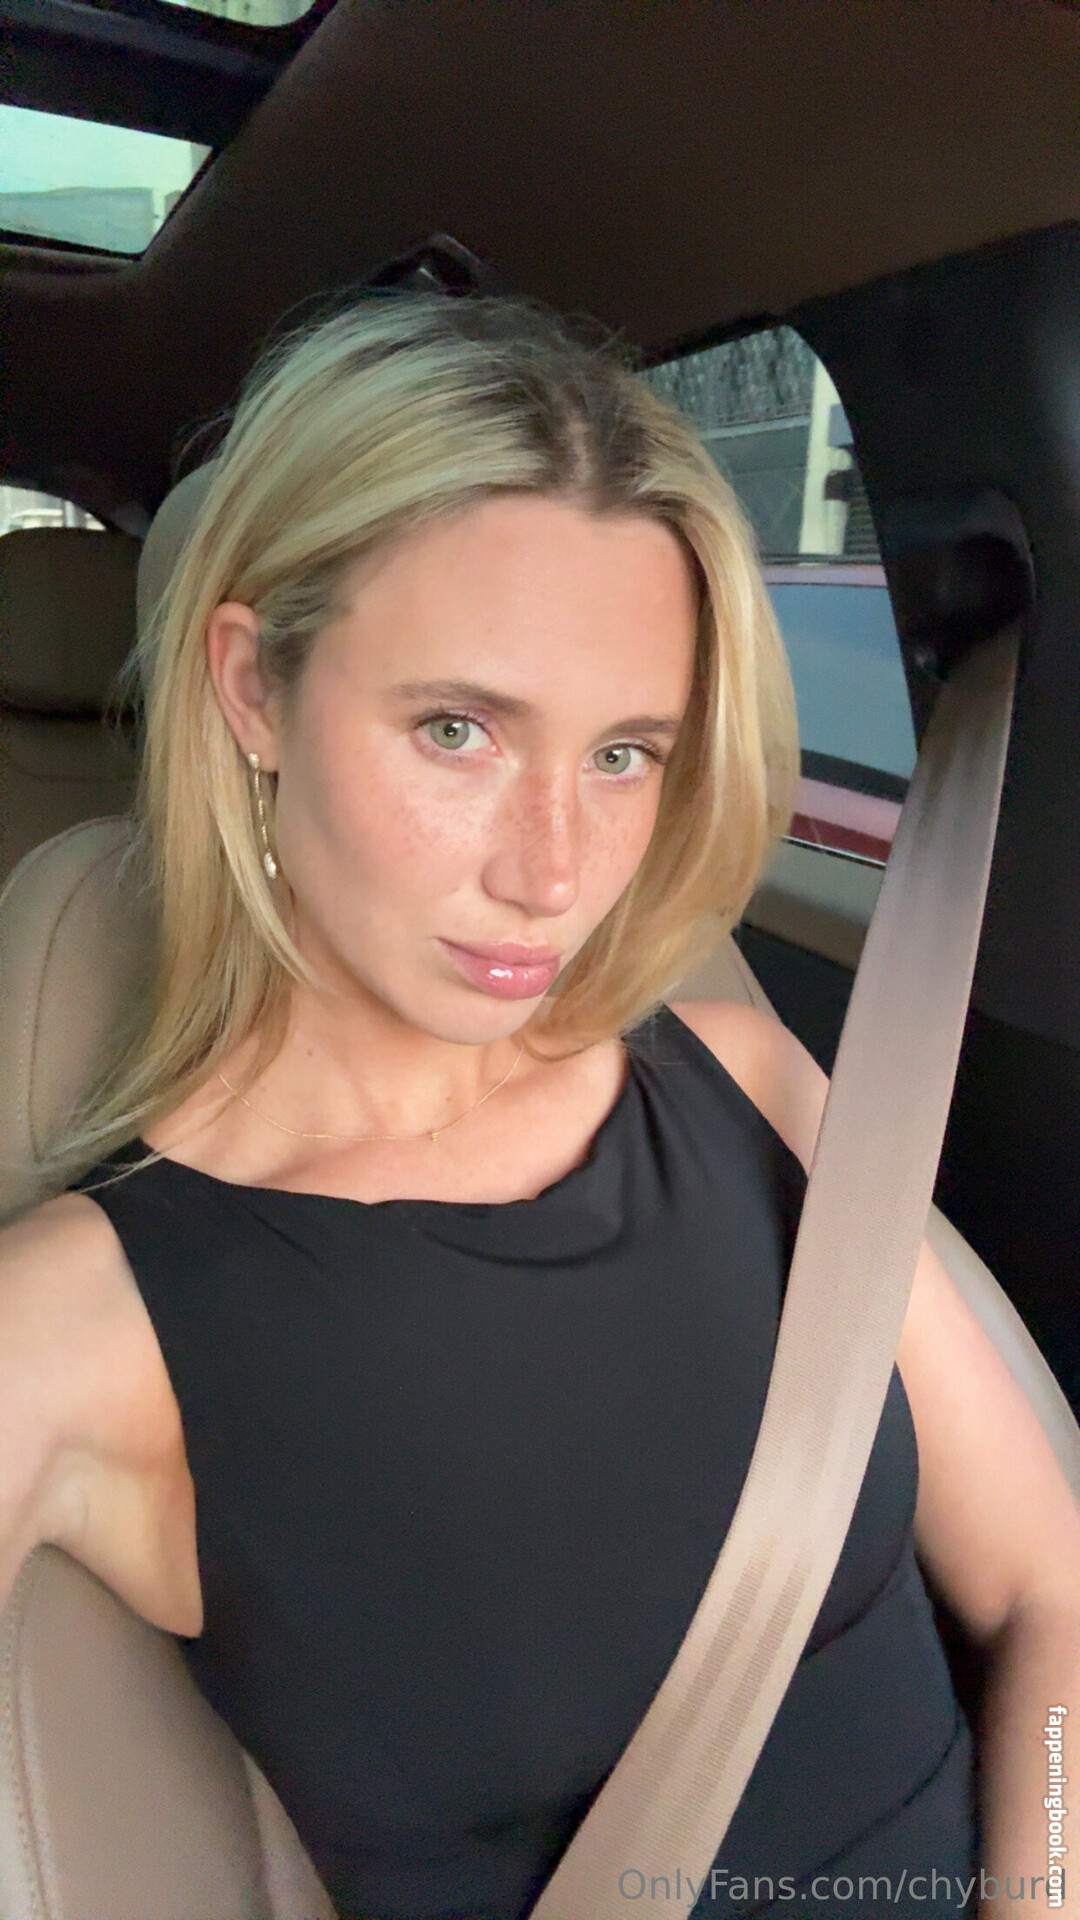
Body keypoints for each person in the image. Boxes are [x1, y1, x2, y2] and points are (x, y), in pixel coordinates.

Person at [0, 293, 1077, 1920]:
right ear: (253, 692)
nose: (553, 872)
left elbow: (1054, 1592)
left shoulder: (749, 1087)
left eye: (626, 754)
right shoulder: (82, 1329)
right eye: (459, 731)